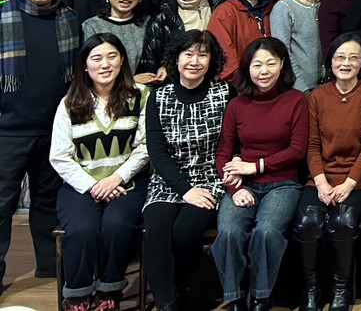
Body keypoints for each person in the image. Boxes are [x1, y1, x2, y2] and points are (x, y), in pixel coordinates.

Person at [50, 35, 150, 311]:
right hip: (81, 185)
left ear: (122, 60)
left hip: (126, 182)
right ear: (84, 65)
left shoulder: (140, 95)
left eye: (112, 56)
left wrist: (116, 178)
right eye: (96, 58)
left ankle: (109, 293)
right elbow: (59, 156)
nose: (105, 64)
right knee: (82, 228)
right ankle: (78, 297)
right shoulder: (70, 103)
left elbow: (145, 147)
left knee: (116, 225)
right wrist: (94, 185)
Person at [0, 0, 81, 287]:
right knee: (1, 204)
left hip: (54, 130)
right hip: (8, 131)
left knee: (48, 202)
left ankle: (49, 268)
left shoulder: (70, 18)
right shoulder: (3, 16)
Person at [211, 37, 308, 311]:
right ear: (247, 68)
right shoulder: (237, 105)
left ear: (282, 65)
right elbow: (223, 154)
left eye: (270, 63)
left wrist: (255, 166)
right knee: (229, 232)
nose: (263, 71)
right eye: (256, 65)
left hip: (283, 184)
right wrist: (234, 189)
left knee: (266, 232)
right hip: (244, 185)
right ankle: (235, 297)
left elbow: (297, 150)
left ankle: (261, 297)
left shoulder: (296, 100)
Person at [294, 33, 361, 311]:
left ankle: (341, 290)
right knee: (308, 221)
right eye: (340, 57)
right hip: (320, 177)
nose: (346, 63)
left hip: (359, 180)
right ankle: (311, 289)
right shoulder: (317, 95)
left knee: (343, 221)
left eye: (353, 58)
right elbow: (312, 145)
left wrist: (348, 184)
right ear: (330, 61)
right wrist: (321, 183)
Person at [142, 30, 231, 311]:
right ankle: (167, 303)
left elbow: (232, 143)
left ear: (211, 60)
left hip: (210, 179)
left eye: (202, 55)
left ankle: (179, 285)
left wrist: (199, 188)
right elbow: (157, 152)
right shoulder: (158, 97)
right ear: (176, 58)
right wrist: (185, 189)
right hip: (167, 181)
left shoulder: (224, 93)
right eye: (188, 54)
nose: (195, 61)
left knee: (184, 233)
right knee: (156, 230)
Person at [142, 0, 220, 80]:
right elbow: (150, 59)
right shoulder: (163, 11)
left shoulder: (219, 5)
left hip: (215, 78)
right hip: (175, 81)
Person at [82, 0, 158, 84]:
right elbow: (92, 70)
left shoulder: (150, 23)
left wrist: (163, 68)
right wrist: (132, 81)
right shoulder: (91, 26)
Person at [208, 0, 276, 82]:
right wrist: (244, 83)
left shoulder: (272, 9)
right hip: (239, 84)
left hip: (271, 81)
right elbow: (225, 57)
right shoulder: (224, 12)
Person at [270, 0, 324, 91]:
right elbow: (283, 51)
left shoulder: (322, 2)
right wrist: (301, 87)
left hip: (325, 83)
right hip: (299, 87)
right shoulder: (283, 8)